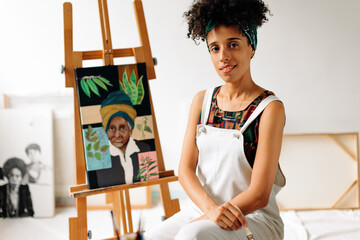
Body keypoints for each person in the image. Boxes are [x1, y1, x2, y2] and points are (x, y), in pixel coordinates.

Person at [144, 0, 286, 239]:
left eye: (233, 44)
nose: (224, 57)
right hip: (205, 211)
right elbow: (185, 170)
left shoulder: (269, 109)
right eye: (215, 48)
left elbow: (260, 194)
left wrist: (213, 216)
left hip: (252, 217)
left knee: (191, 236)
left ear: (251, 47)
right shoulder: (202, 101)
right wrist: (210, 211)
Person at [96, 90, 151, 187]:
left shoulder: (144, 149)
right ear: (106, 130)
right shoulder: (100, 157)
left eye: (122, 128)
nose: (117, 135)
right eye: (112, 128)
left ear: (131, 130)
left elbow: (149, 181)